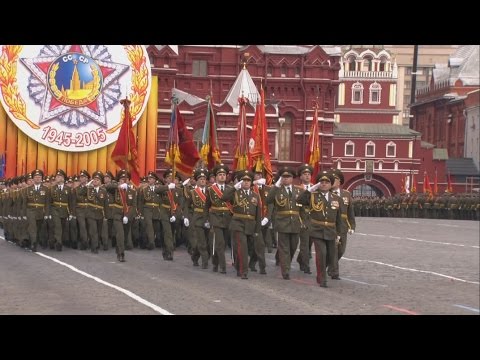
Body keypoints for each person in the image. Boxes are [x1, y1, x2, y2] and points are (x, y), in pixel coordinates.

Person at [297, 171, 342, 288]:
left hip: (331, 231)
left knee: (331, 256)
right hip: (317, 230)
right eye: (321, 182)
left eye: (327, 182)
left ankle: (323, 271)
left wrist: (339, 233)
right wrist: (311, 189)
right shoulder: (313, 196)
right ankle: (322, 278)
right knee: (321, 254)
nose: (324, 184)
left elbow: (339, 218)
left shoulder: (336, 198)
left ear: (331, 184)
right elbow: (299, 200)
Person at [221, 170, 262, 279]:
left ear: (252, 182)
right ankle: (244, 271)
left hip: (251, 225)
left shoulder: (255, 195)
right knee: (242, 247)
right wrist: (234, 187)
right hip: (238, 223)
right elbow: (224, 198)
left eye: (248, 180)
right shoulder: (235, 193)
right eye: (244, 180)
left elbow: (258, 213)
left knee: (248, 248)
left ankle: (239, 265)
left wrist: (257, 230)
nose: (246, 182)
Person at [266, 166, 302, 280]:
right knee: (284, 247)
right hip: (282, 222)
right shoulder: (277, 190)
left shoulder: (299, 190)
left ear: (292, 178)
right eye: (284, 177)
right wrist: (276, 186)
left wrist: (304, 221)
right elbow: (268, 200)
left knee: (293, 247)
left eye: (288, 177)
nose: (286, 179)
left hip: (295, 223)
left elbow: (305, 207)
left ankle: (286, 263)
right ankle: (285, 270)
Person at [205, 163, 233, 274]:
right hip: (215, 217)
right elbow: (207, 205)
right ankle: (222, 266)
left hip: (227, 218)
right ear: (216, 177)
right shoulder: (211, 189)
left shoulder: (230, 189)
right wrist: (207, 219)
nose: (222, 176)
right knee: (220, 243)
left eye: (224, 174)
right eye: (220, 174)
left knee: (223, 243)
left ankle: (215, 262)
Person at [329, 169, 355, 278]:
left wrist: (352, 226)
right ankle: (334, 272)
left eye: (335, 180)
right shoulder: (327, 194)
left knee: (341, 250)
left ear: (339, 182)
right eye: (331, 180)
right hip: (331, 224)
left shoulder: (346, 194)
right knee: (334, 249)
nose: (332, 182)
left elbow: (350, 212)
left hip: (343, 225)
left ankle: (330, 266)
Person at [24, 169, 51, 252]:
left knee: (39, 228)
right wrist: (24, 214)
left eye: (39, 177)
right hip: (30, 211)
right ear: (33, 178)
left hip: (40, 211)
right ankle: (33, 243)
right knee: (33, 227)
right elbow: (24, 203)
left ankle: (36, 240)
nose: (38, 178)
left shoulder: (46, 189)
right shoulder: (28, 189)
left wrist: (47, 213)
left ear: (42, 178)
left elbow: (47, 203)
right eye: (36, 177)